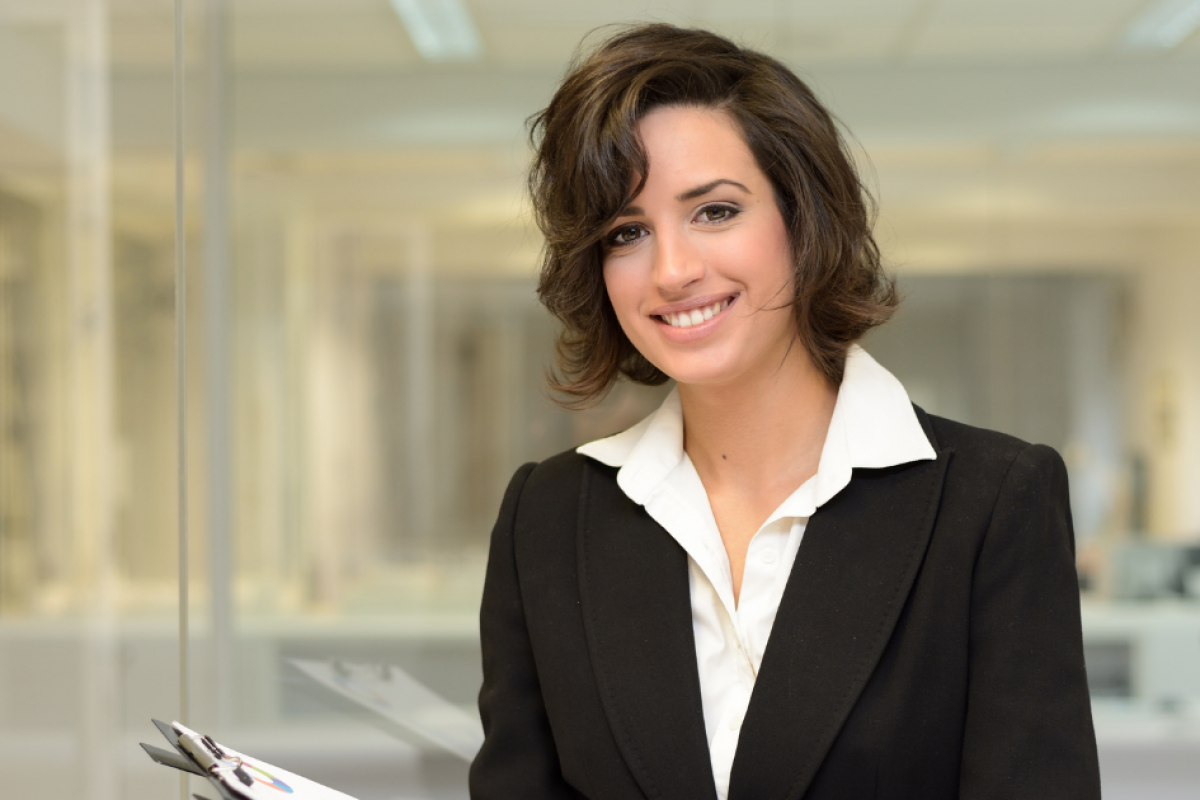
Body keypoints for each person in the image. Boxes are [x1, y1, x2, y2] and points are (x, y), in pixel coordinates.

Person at [469, 23, 1100, 800]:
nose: (671, 271)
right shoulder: (549, 518)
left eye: (715, 211)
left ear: (803, 218)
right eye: (626, 232)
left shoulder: (993, 503)